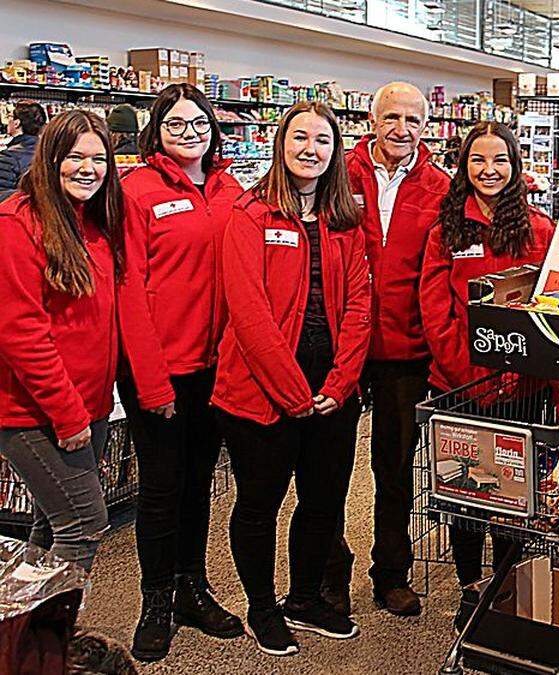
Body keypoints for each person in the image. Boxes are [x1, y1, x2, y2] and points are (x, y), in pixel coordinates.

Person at [212, 101, 370, 657]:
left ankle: (304, 597)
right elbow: (248, 313)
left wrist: (341, 382)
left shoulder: (344, 220)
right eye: (300, 137)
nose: (311, 149)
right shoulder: (250, 215)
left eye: (323, 140)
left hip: (331, 392)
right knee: (260, 502)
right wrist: (293, 394)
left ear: (335, 152)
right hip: (261, 392)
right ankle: (262, 607)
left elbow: (358, 305)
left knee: (324, 500)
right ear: (281, 144)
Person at [116, 84, 245, 662]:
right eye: (176, 123)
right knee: (162, 489)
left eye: (199, 123)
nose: (190, 133)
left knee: (200, 486)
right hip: (161, 370)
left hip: (216, 369)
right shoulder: (135, 190)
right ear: (156, 129)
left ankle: (194, 586)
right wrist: (149, 381)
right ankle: (156, 600)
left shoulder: (229, 188)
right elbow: (128, 292)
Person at [418, 121, 554, 631]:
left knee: (515, 493)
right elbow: (436, 311)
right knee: (467, 493)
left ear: (515, 166)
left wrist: (520, 372)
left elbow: (548, 307)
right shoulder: (446, 231)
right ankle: (471, 589)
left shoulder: (538, 228)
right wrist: (467, 373)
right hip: (460, 385)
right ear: (464, 166)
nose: (489, 170)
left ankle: (507, 584)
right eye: (478, 160)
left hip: (523, 386)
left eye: (500, 160)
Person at [323, 82, 450, 618]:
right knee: (325, 465)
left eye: (413, 120)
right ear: (371, 120)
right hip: (339, 344)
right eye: (391, 117)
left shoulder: (440, 187)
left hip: (405, 346)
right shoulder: (337, 173)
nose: (401, 129)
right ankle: (328, 572)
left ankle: (390, 573)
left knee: (394, 469)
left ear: (427, 126)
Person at [0, 110, 123, 571]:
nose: (88, 168)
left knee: (51, 526)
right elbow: (21, 334)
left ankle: (23, 637)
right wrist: (69, 417)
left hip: (88, 405)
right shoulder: (17, 224)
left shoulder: (91, 222)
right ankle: (52, 641)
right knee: (83, 525)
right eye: (74, 157)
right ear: (50, 158)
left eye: (99, 158)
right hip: (35, 413)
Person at [0, 101, 48, 199]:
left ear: (17, 123)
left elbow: (2, 196)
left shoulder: (9, 157)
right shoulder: (48, 154)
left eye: (10, 117)